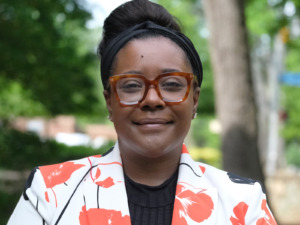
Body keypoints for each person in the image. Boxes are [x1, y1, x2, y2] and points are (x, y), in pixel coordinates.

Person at [8, 0, 277, 224]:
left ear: (194, 100)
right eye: (132, 85)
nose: (152, 99)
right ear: (109, 102)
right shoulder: (51, 193)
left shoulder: (242, 203)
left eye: (171, 84)